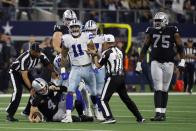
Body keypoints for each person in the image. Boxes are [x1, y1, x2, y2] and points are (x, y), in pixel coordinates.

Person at [136, 12, 185, 121]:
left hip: (169, 62)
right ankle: (158, 113)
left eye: (159, 21)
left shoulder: (173, 30)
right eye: (156, 21)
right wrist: (139, 62)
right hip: (155, 62)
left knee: (165, 88)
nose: (156, 23)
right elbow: (145, 47)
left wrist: (182, 61)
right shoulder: (151, 31)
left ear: (165, 21)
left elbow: (180, 46)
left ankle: (163, 113)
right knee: (157, 87)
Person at [88, 34, 145, 124]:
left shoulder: (106, 52)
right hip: (121, 77)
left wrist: (94, 56)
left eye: (104, 43)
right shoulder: (119, 51)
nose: (103, 44)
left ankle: (109, 118)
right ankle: (139, 117)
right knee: (126, 99)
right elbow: (106, 58)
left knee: (103, 100)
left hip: (113, 78)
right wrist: (97, 53)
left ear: (106, 43)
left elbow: (98, 66)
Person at [60, 19, 97, 123]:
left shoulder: (87, 36)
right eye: (72, 27)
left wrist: (94, 66)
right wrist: (63, 70)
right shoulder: (66, 39)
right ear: (69, 28)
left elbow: (93, 51)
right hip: (75, 69)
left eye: (76, 26)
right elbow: (63, 55)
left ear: (80, 27)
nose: (75, 28)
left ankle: (96, 111)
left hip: (88, 67)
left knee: (94, 92)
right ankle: (68, 116)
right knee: (70, 91)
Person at [6, 43, 53, 122]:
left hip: (27, 72)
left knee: (38, 89)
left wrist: (53, 75)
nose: (39, 53)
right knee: (18, 91)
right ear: (32, 51)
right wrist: (31, 88)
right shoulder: (25, 57)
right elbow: (24, 75)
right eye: (37, 52)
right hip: (15, 72)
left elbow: (49, 66)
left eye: (39, 51)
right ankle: (10, 114)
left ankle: (27, 111)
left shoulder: (41, 56)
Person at [28, 78, 93, 122]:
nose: (44, 90)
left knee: (77, 102)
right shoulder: (37, 99)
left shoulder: (50, 85)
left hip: (60, 104)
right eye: (41, 90)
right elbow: (33, 113)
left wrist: (56, 88)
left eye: (45, 87)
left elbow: (66, 89)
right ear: (37, 91)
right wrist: (34, 118)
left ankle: (81, 114)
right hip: (54, 115)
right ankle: (81, 118)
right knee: (64, 118)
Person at [84, 20, 105, 120]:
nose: (91, 32)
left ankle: (99, 109)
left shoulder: (101, 38)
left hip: (99, 65)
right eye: (88, 30)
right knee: (86, 90)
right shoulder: (82, 39)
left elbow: (103, 53)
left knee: (99, 92)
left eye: (92, 30)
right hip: (87, 66)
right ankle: (87, 108)